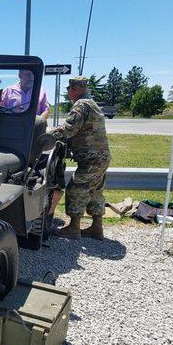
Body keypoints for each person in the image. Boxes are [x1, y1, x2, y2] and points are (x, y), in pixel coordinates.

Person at [48, 76, 111, 240]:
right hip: (100, 157)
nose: (68, 92)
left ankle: (74, 228)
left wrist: (46, 134)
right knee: (95, 191)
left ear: (74, 89)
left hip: (91, 159)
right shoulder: (91, 103)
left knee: (75, 189)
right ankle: (97, 228)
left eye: (69, 89)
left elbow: (68, 130)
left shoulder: (81, 105)